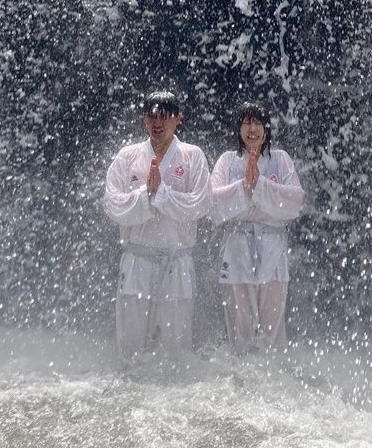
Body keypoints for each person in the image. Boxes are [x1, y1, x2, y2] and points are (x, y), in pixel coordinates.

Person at [103, 90, 212, 358]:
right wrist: (145, 197)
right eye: (152, 116)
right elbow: (112, 204)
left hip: (177, 260)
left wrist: (162, 195)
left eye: (164, 116)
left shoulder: (192, 156)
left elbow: (200, 203)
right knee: (131, 345)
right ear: (143, 119)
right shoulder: (127, 156)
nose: (157, 123)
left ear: (178, 119)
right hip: (137, 260)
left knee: (176, 348)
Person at [210, 101, 304, 351]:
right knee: (239, 327)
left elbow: (295, 201)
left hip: (272, 248)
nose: (252, 129)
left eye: (258, 123)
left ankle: (271, 368)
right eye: (247, 123)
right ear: (239, 128)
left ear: (266, 128)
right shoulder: (227, 161)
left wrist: (260, 186)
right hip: (237, 249)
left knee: (272, 329)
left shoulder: (280, 160)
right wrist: (243, 187)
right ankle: (240, 365)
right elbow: (212, 203)